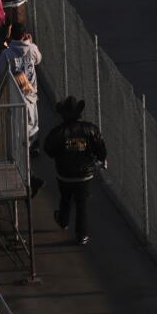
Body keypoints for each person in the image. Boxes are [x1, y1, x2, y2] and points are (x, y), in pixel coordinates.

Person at [43, 96, 105, 246]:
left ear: (63, 115)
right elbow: (101, 149)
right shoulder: (90, 129)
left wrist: (60, 155)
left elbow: (49, 149)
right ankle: (82, 235)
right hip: (85, 175)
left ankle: (63, 221)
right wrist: (98, 158)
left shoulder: (58, 132)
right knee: (81, 204)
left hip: (64, 175)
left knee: (65, 197)